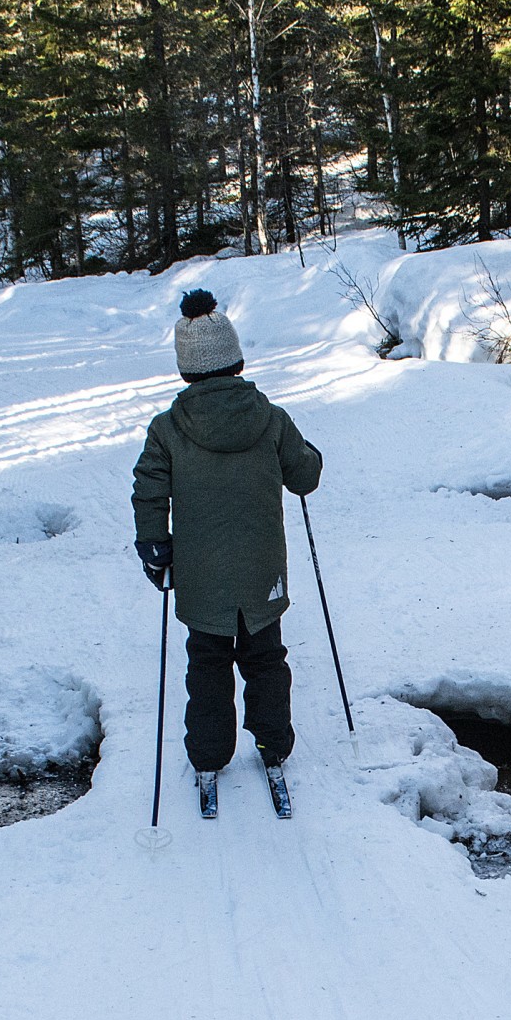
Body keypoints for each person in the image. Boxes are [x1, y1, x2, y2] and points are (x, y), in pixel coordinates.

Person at [132, 289, 323, 811]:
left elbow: (149, 489)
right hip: (263, 573)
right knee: (266, 659)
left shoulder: (168, 429)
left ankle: (209, 753)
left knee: (208, 663)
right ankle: (273, 743)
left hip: (201, 576)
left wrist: (155, 545)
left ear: (186, 369)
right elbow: (305, 477)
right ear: (236, 359)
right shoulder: (271, 418)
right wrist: (310, 455)